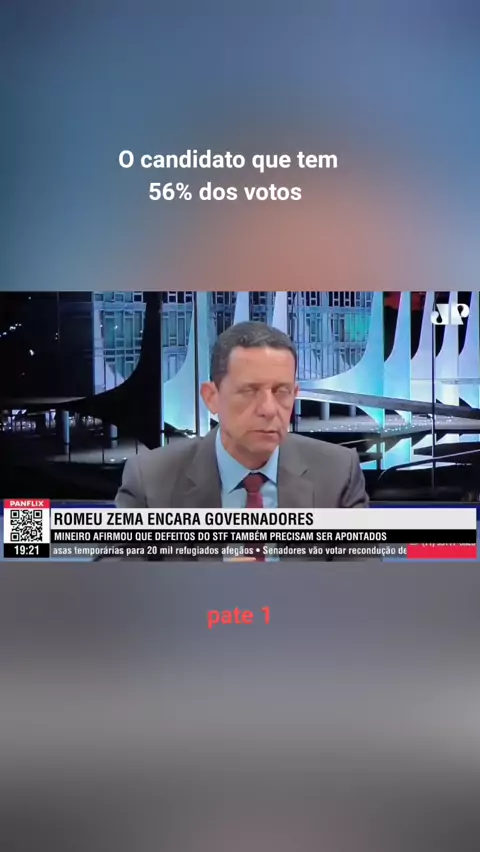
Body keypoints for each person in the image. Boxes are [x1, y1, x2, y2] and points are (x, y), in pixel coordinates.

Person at [117, 321, 369, 516]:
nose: (268, 409)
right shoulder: (150, 481)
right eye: (249, 391)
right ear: (211, 397)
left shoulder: (338, 474)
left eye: (281, 391)